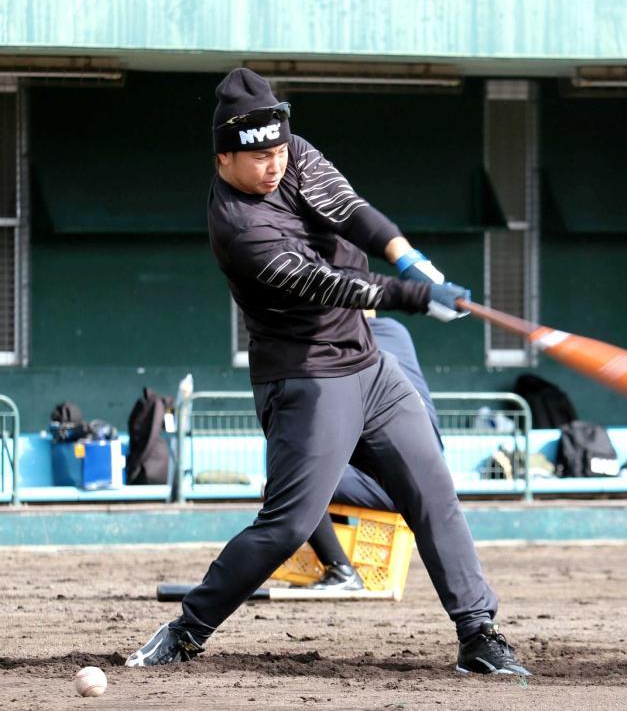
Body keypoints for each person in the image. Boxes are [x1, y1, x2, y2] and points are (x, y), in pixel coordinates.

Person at [125, 68, 529, 676]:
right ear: (224, 157)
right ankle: (188, 629)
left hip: (371, 367)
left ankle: (478, 634)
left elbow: (352, 211)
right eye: (259, 156)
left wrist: (409, 257)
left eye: (280, 150)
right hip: (308, 380)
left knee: (433, 491)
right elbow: (329, 285)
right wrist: (416, 297)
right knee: (287, 526)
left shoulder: (293, 154)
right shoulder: (240, 229)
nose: (274, 165)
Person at [304, 315, 438, 593]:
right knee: (320, 478)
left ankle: (341, 570)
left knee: (290, 485)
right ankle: (342, 565)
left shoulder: (341, 345)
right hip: (433, 473)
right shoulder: (395, 330)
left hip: (396, 479)